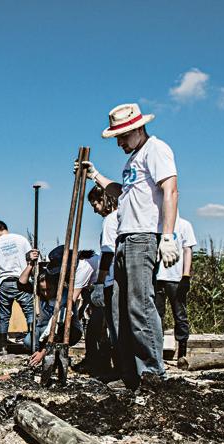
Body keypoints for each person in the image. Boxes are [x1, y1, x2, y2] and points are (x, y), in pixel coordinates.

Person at [77, 103, 180, 389]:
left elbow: (171, 190)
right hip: (125, 237)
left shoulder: (156, 149)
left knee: (140, 307)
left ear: (137, 128)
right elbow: (123, 194)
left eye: (122, 136)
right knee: (121, 309)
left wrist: (168, 236)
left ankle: (152, 376)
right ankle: (131, 375)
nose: (119, 142)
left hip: (143, 237)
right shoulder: (133, 160)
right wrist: (95, 175)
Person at [21, 246, 99, 367]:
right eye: (43, 290)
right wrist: (30, 264)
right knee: (29, 340)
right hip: (49, 325)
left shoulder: (82, 269)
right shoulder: (44, 287)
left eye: (49, 289)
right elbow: (22, 284)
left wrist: (43, 352)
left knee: (91, 325)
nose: (45, 293)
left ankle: (94, 361)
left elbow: (65, 311)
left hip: (102, 286)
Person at [82, 184, 119, 375]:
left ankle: (119, 370)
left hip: (111, 280)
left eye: (95, 204)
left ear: (105, 200)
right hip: (120, 279)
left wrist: (99, 283)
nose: (95, 210)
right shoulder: (123, 217)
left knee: (115, 327)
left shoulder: (110, 221)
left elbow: (107, 254)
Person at [0, 220, 34, 354]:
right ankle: (34, 346)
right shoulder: (21, 239)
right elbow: (32, 258)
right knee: (30, 313)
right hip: (22, 281)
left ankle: (2, 349)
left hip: (4, 284)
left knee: (4, 317)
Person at [155, 216, 197, 359]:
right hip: (157, 277)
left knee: (180, 314)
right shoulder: (156, 223)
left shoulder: (184, 225)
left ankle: (182, 352)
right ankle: (157, 352)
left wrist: (186, 276)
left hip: (175, 277)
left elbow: (188, 250)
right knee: (156, 316)